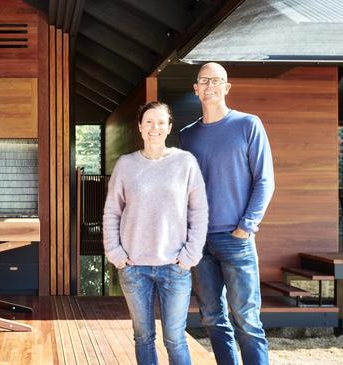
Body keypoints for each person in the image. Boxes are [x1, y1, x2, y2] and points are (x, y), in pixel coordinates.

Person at [179, 62, 275, 365]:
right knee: (211, 318)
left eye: (216, 80)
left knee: (246, 320)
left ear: (226, 87)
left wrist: (247, 225)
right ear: (196, 89)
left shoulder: (248, 125)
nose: (210, 86)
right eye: (204, 81)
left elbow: (265, 179)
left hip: (236, 238)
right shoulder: (187, 135)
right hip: (200, 242)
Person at [104, 101, 209, 365]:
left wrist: (190, 255)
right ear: (140, 127)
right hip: (134, 267)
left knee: (175, 339)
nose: (155, 127)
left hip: (175, 267)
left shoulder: (185, 162)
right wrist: (115, 254)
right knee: (143, 337)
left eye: (161, 122)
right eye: (149, 121)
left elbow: (199, 211)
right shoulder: (126, 165)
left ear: (169, 127)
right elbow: (111, 213)